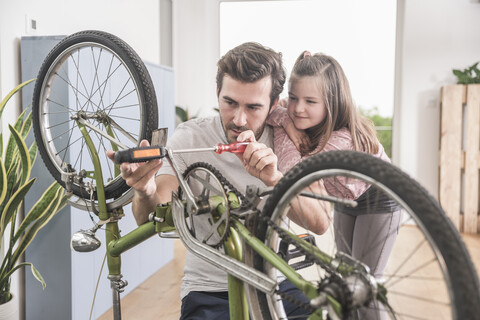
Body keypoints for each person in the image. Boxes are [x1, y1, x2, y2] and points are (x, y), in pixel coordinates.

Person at [107, 42, 307, 319]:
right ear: (217, 93)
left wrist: (275, 179)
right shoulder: (191, 137)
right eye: (229, 103)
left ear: (273, 105)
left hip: (278, 282)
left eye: (253, 107)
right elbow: (149, 215)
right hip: (211, 290)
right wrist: (145, 190)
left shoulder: (285, 139)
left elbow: (317, 222)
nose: (239, 119)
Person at [246, 50, 400, 319]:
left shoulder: (342, 140)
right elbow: (273, 109)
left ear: (332, 103)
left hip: (380, 199)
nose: (297, 108)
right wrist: (289, 124)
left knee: (365, 285)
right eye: (293, 98)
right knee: (346, 277)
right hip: (347, 201)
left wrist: (287, 127)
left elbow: (294, 170)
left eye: (310, 101)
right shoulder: (306, 120)